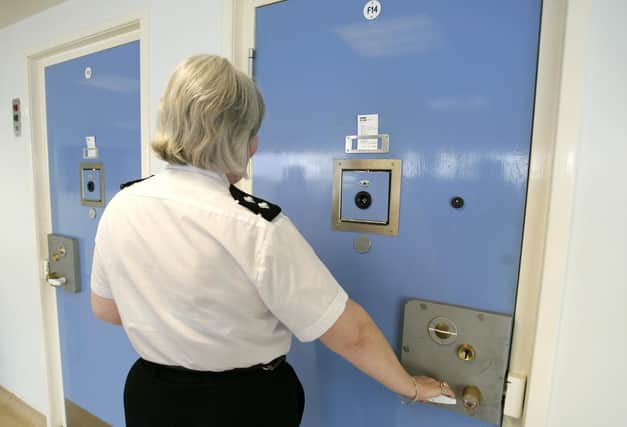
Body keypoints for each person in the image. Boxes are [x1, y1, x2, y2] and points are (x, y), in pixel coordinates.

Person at [90, 54, 455, 427]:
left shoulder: (122, 205)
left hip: (151, 397)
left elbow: (107, 309)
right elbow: (352, 334)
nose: (255, 146)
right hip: (241, 405)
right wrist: (411, 387)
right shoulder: (256, 226)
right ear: (237, 138)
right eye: (252, 132)